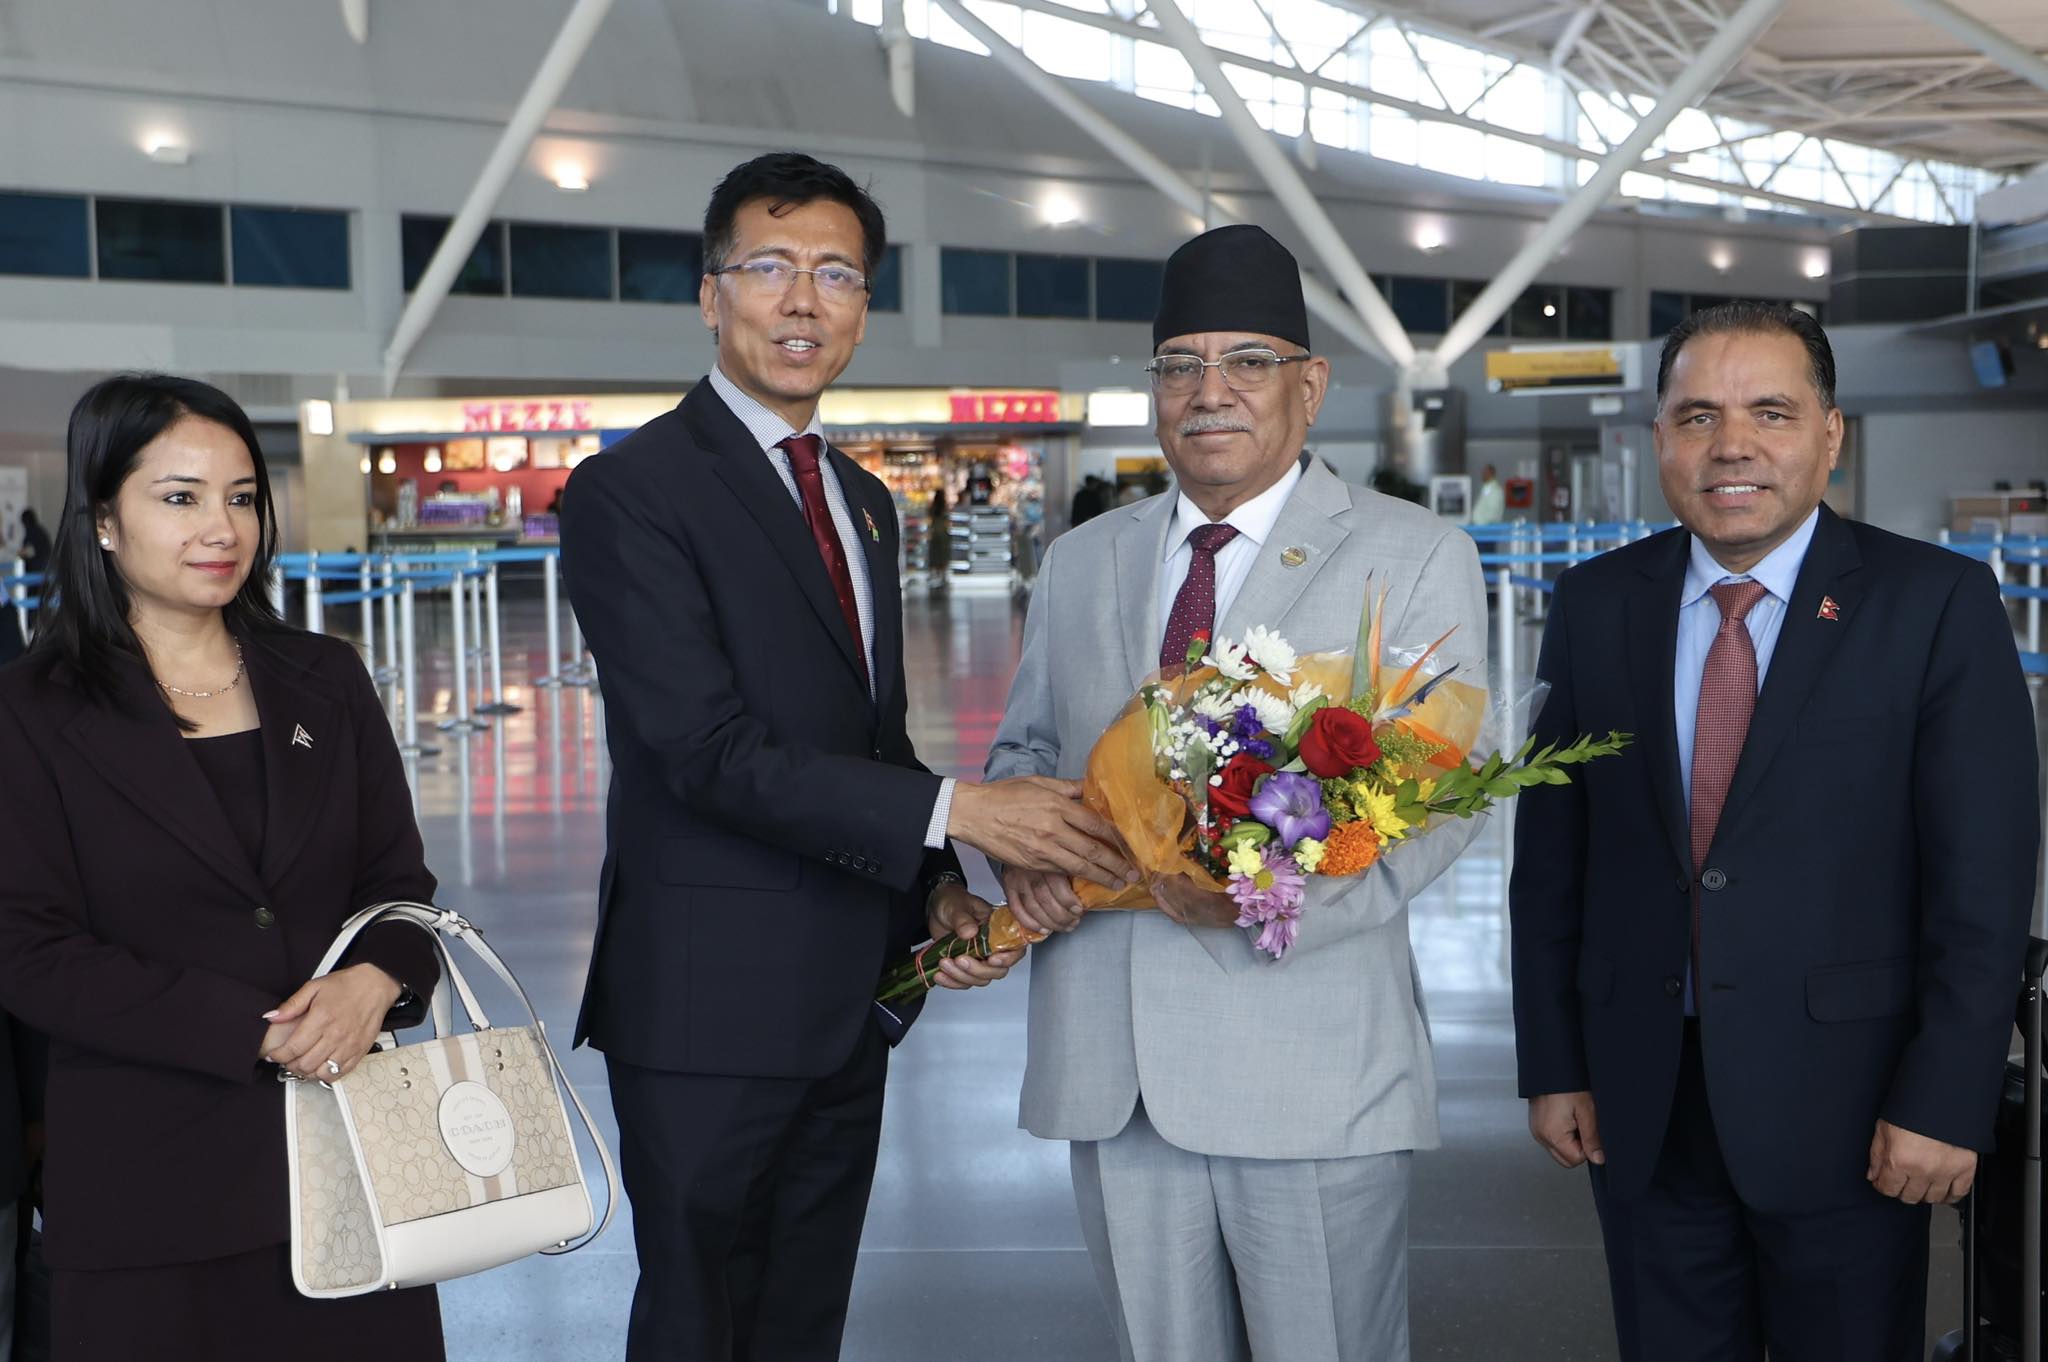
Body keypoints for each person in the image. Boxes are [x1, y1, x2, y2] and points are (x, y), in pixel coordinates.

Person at [558, 152, 1135, 1362]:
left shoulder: (862, 500)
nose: (801, 300)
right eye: (769, 267)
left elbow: (869, 742)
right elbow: (700, 750)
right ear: (710, 294)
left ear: (864, 307)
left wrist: (931, 895)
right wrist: (962, 810)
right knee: (698, 1320)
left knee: (802, 1319)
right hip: (706, 1006)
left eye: (835, 274)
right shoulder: (632, 491)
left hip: (846, 1002)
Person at [985, 223, 1488, 1362]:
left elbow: (1445, 800)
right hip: (1112, 1066)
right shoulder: (1082, 559)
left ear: (1309, 386)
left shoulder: (1407, 555)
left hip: (1303, 1058)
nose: (1209, 392)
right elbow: (1025, 751)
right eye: (1180, 366)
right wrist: (1023, 857)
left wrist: (1264, 896)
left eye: (1247, 362)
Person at [1510, 302, 2039, 1361]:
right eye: (1697, 415)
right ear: (1659, 437)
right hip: (1643, 1097)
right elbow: (1553, 858)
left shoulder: (1933, 602)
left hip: (1854, 1105)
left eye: (1770, 412)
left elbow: (1980, 883)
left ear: (1829, 434)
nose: (1731, 445)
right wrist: (1553, 1060)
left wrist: (1948, 1097)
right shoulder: (1595, 603)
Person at [0, 374, 446, 1362]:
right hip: (148, 1185)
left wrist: (377, 978)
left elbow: (399, 886)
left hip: (354, 1167)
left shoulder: (324, 678)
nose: (221, 528)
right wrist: (254, 1031)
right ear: (103, 519)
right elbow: (29, 951)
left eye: (241, 497)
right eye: (180, 497)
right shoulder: (30, 713)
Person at [926, 485, 951, 591]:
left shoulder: (932, 507)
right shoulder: (945, 507)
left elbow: (929, 516)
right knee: (943, 553)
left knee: (935, 553)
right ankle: (943, 575)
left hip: (935, 532)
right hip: (943, 532)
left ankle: (934, 574)